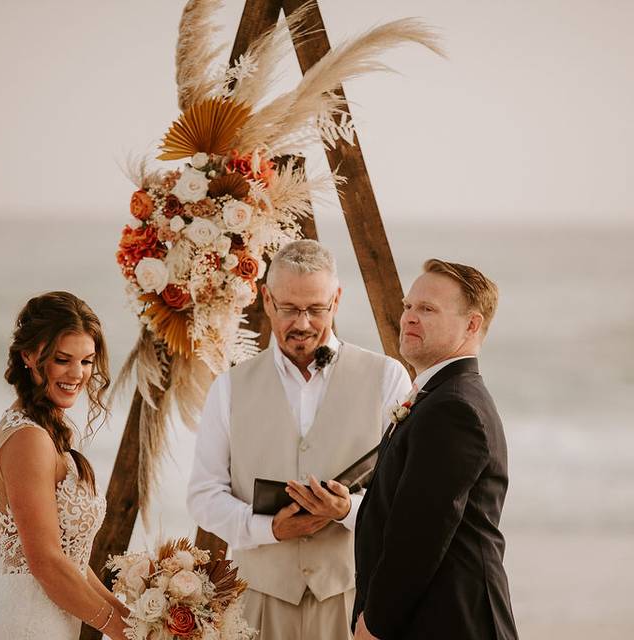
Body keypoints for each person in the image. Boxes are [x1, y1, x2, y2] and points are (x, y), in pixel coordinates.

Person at [187, 240, 411, 640]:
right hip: (256, 602)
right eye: (289, 309)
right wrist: (268, 529)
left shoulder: (388, 377)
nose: (303, 324)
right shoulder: (229, 388)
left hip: (352, 600)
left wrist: (348, 511)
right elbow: (203, 495)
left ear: (336, 300)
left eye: (315, 309)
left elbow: (405, 501)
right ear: (267, 300)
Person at [352, 259, 518, 639]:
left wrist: (374, 622)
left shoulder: (454, 409)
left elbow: (418, 536)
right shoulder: (439, 397)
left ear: (472, 325)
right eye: (409, 306)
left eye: (427, 309)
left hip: (452, 622)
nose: (408, 317)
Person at [0, 291, 130, 640]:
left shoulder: (43, 430)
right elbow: (45, 563)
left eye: (87, 361)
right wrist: (119, 629)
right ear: (28, 355)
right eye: (63, 359)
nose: (78, 373)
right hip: (26, 627)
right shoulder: (28, 438)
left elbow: (70, 561)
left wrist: (138, 622)